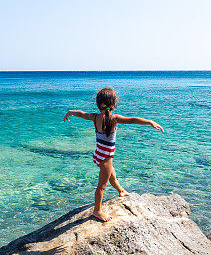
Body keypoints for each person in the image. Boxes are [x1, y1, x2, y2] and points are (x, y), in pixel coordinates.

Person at [63, 87, 164, 221]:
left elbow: (81, 113)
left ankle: (121, 191)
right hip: (106, 157)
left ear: (98, 104)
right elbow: (133, 119)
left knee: (112, 175)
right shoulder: (114, 118)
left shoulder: (95, 117)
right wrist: (150, 122)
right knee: (102, 186)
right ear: (114, 103)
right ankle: (97, 211)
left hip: (99, 153)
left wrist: (71, 112)